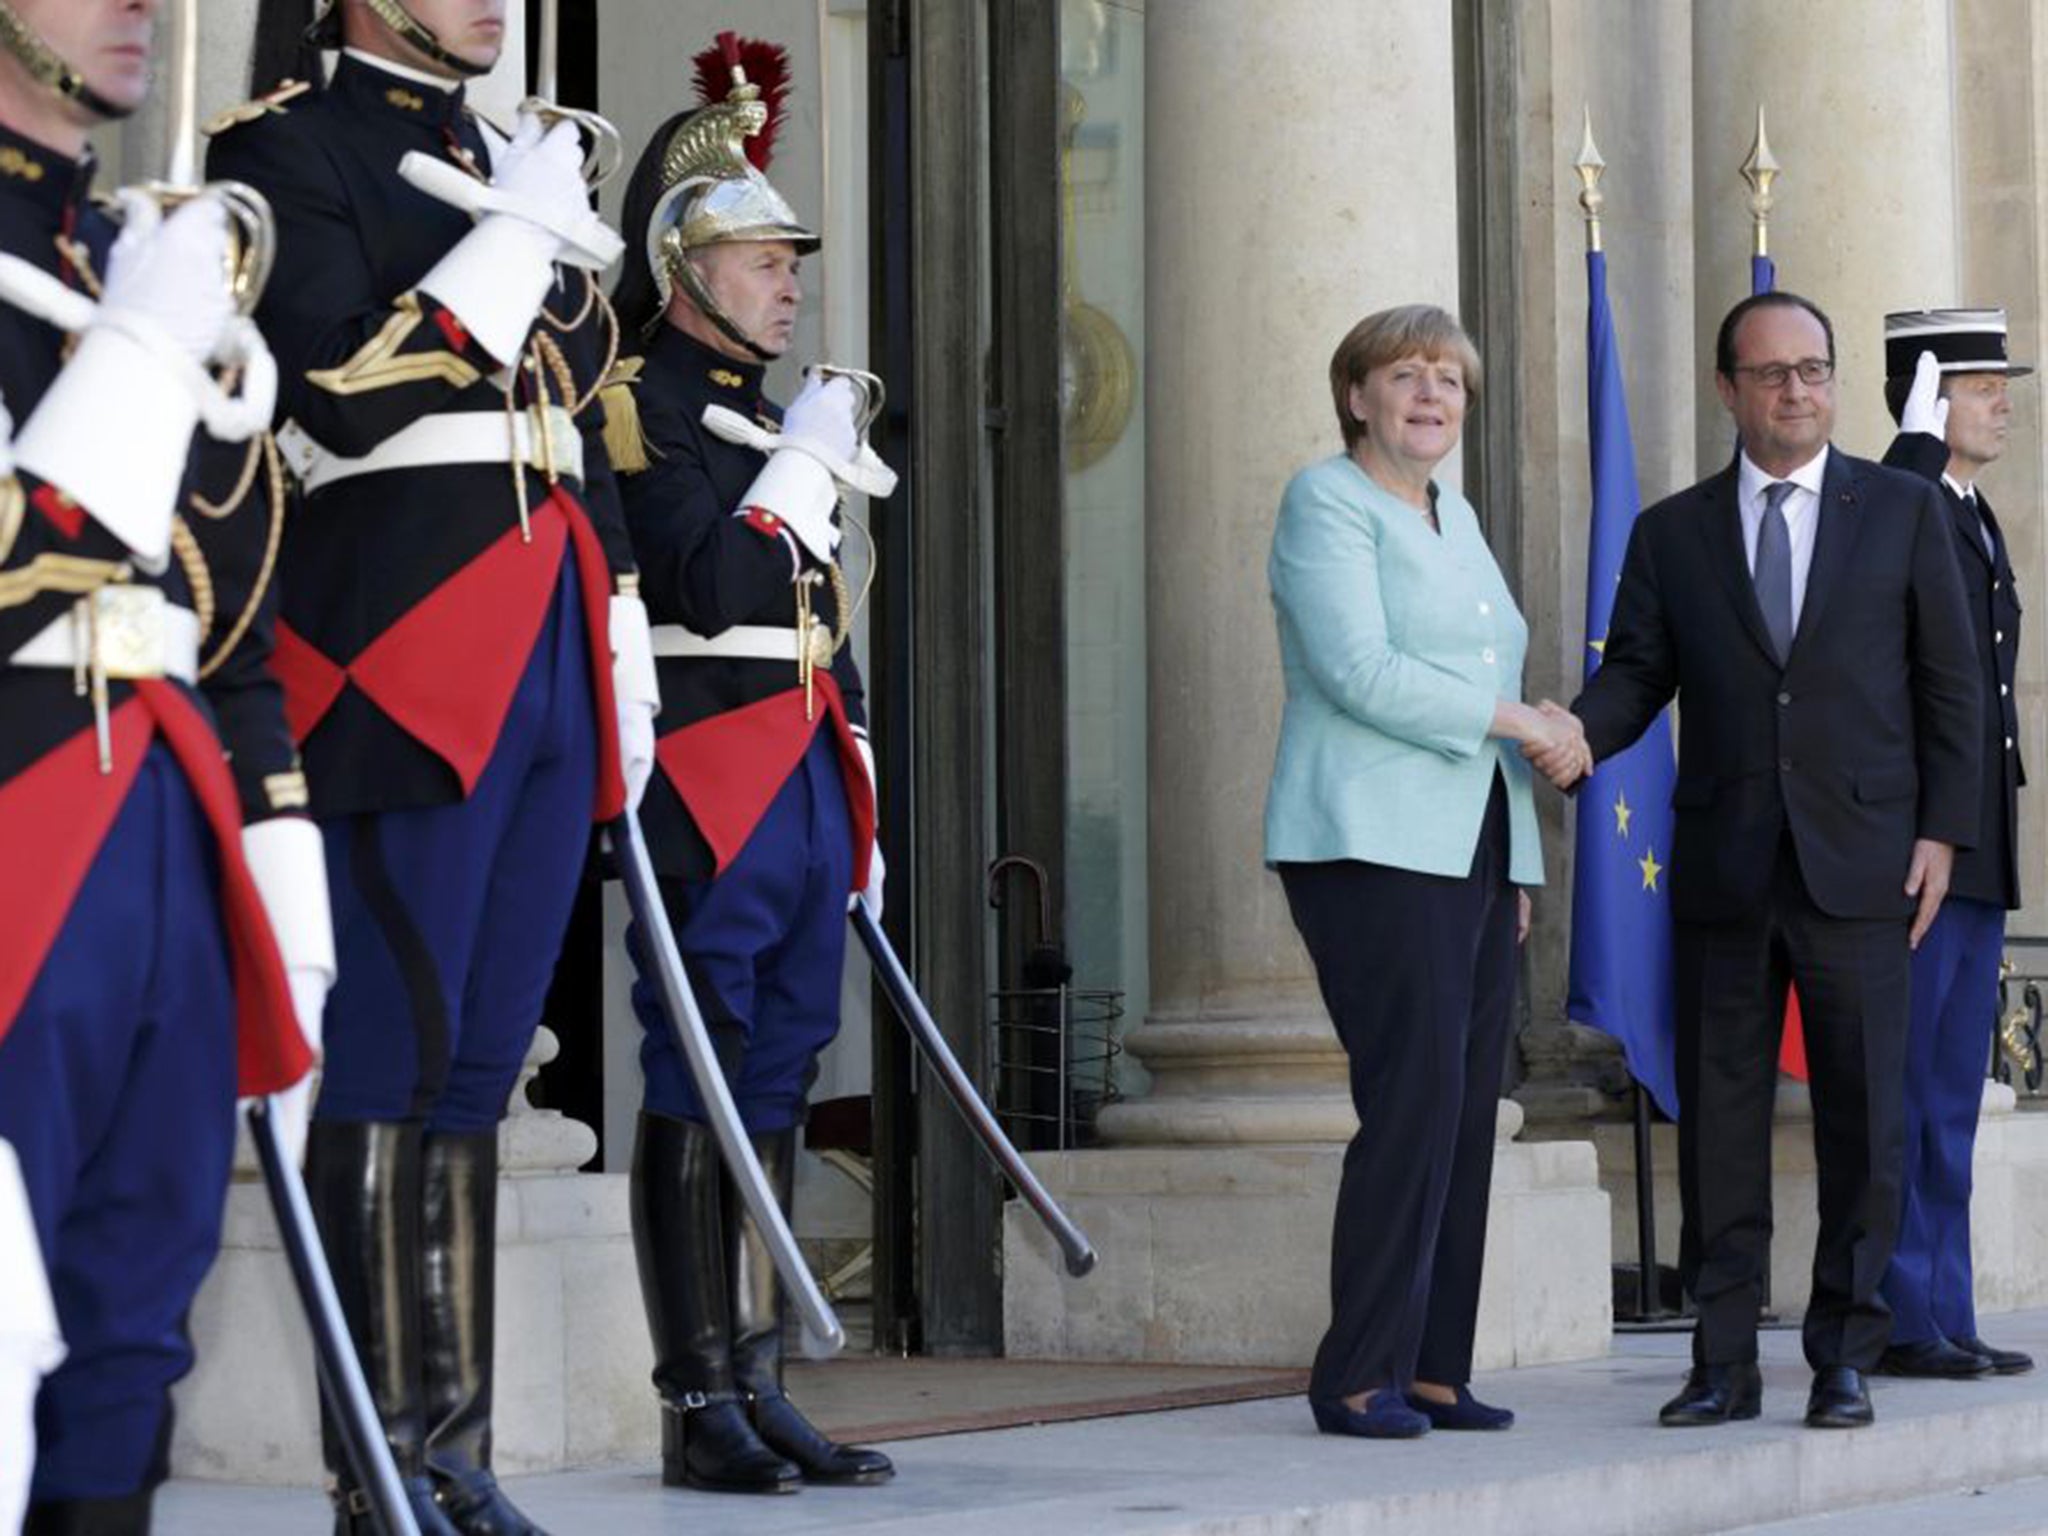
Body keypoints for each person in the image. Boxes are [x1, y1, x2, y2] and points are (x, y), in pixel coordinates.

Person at [209, 1, 660, 1529]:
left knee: (481, 1062)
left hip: (540, 616)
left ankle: (452, 1457)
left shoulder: (504, 149)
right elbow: (328, 386)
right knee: (396, 1052)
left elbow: (580, 399)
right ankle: (378, 1471)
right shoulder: (283, 148)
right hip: (400, 634)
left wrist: (621, 612)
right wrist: (501, 259)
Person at [0, 0, 327, 1527]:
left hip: (160, 796)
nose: (134, 3)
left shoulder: (119, 256)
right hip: (19, 809)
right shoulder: (115, 290)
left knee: (140, 1295)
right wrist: (135, 346)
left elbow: (222, 588)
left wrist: (272, 820)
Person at [1568, 291, 1982, 1430]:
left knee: (1862, 1117)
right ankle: (1720, 1362)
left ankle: (1844, 1352)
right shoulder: (1671, 533)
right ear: (1725, 389)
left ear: (1832, 383)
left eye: (1812, 370)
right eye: (1768, 374)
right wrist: (1568, 735)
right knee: (1719, 1126)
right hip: (1724, 874)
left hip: (1867, 870)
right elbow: (1634, 679)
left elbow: (1950, 686)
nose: (1794, 390)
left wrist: (1943, 833)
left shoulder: (1897, 511)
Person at [602, 35, 892, 1495]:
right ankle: (693, 1393)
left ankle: (764, 1373)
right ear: (688, 269)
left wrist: (860, 778)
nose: (788, 282)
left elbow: (816, 627)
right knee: (699, 1070)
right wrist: (796, 476)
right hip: (703, 773)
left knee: (780, 1069)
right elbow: (707, 582)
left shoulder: (777, 413)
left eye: (788, 261)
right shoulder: (637, 404)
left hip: (793, 769)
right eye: (763, 260)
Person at [1263, 303, 1581, 1442]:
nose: (1431, 395)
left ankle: (1433, 1367)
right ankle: (1354, 1374)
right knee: (1410, 1100)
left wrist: (1517, 860)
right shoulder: (1325, 503)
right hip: (1365, 840)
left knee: (1460, 1108)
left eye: (1448, 379)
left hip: (1470, 847)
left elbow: (1485, 680)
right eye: (1406, 376)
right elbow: (1358, 671)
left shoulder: (1455, 512)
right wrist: (1522, 720)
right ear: (1356, 396)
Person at [1874, 312, 2034, 1380]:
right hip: (1918, 845)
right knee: (1902, 1088)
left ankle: (1945, 1306)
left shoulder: (1972, 515)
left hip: (1974, 842)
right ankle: (1900, 1316)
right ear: (1928, 396)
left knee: (1948, 1096)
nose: (2002, 402)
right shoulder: (1908, 502)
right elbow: (1877, 539)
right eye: (1976, 384)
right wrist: (1913, 447)